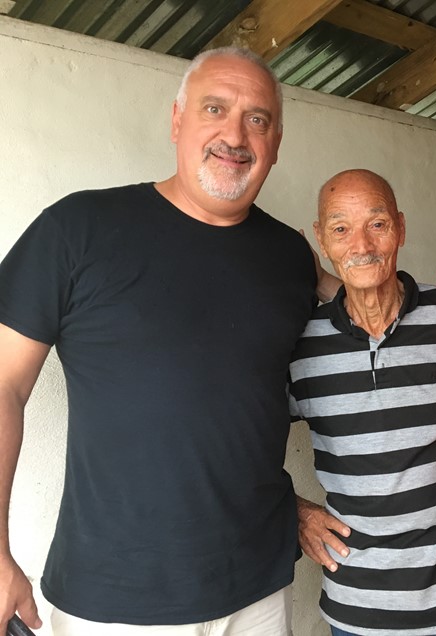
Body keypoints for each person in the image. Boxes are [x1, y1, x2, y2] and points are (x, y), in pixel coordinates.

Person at [0, 47, 324, 635]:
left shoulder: (291, 258)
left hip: (258, 594)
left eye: (258, 118)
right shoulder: (77, 230)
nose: (235, 134)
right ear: (177, 120)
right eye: (215, 108)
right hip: (116, 603)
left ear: (276, 143)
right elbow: (2, 386)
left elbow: (251, 407)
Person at [288, 169, 436, 635]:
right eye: (340, 228)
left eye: (376, 223)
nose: (361, 244)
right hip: (363, 614)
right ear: (321, 240)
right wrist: (293, 508)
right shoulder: (301, 347)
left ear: (400, 226)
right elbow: (240, 446)